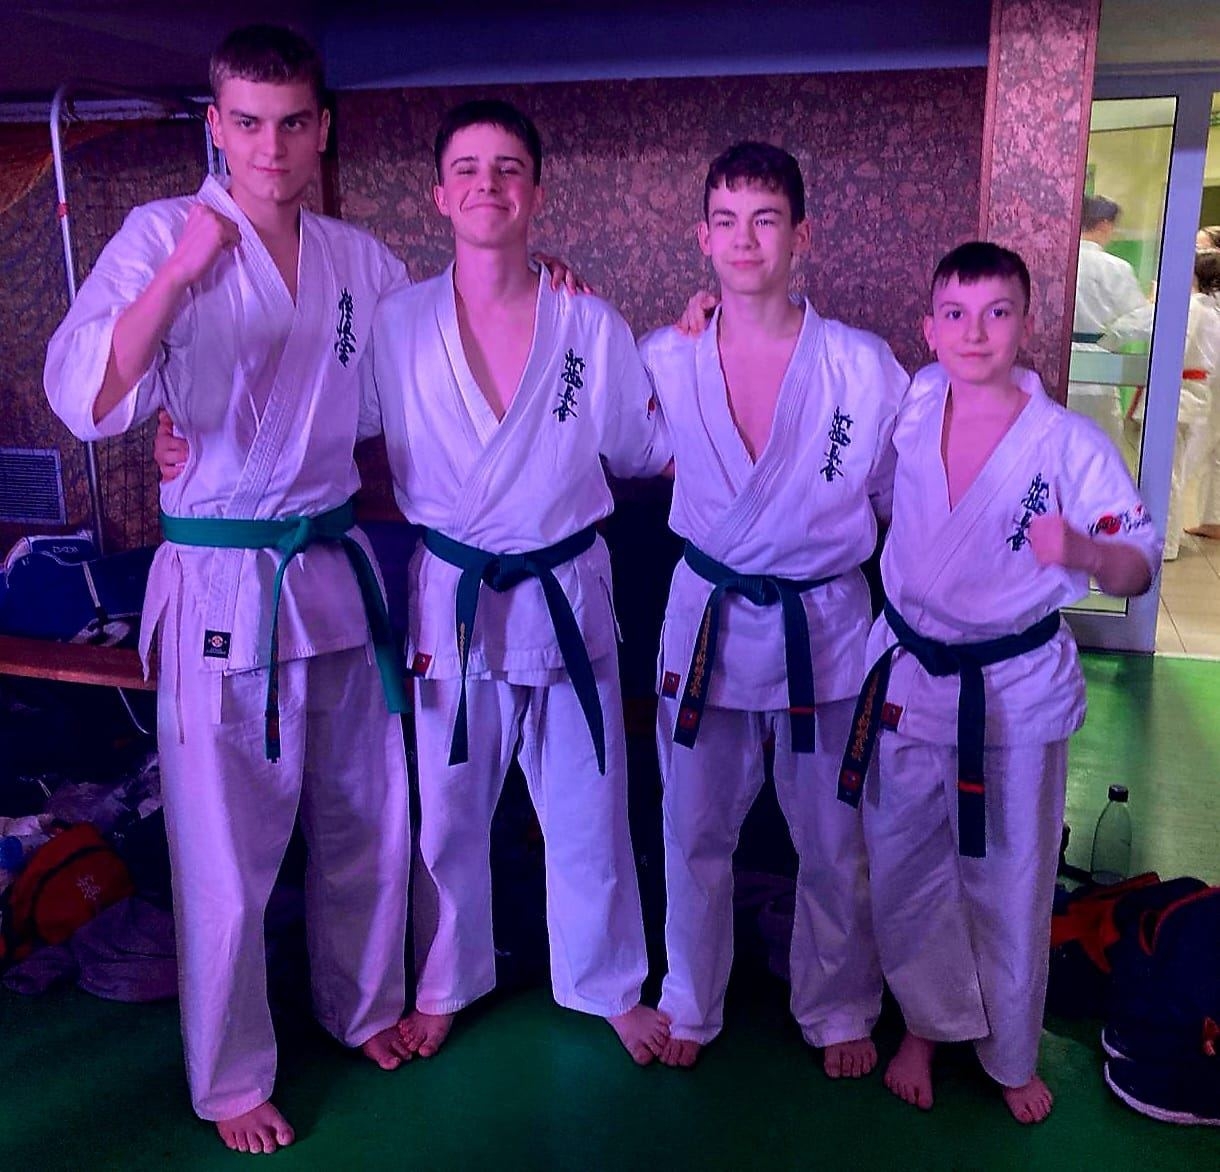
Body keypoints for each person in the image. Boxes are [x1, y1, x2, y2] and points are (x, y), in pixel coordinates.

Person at [44, 25, 416, 1154]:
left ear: (322, 128)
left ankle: (364, 1007)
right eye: (247, 123)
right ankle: (231, 1078)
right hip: (217, 577)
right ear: (214, 126)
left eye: (292, 122)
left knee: (364, 817)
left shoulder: (362, 261)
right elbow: (87, 394)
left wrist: (547, 297)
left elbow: (413, 387)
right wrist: (178, 277)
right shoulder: (160, 233)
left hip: (331, 569)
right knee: (223, 852)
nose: (270, 146)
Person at [366, 100, 672, 1065]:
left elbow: (647, 448)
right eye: (467, 168)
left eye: (507, 168)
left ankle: (606, 983)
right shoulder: (395, 324)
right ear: (438, 194)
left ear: (536, 191)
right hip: (453, 595)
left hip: (566, 591)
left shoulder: (590, 322)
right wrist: (181, 440)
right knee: (450, 810)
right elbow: (327, 422)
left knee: (588, 804)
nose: (487, 185)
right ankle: (443, 984)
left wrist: (700, 345)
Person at [837, 242, 1159, 1123]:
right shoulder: (913, 402)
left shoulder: (1067, 443)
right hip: (910, 675)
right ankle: (926, 1026)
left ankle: (1010, 1051)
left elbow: (1137, 563)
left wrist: (1085, 550)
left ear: (1027, 324)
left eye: (997, 313)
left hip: (1012, 691)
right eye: (956, 314)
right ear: (929, 328)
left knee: (1011, 876)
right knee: (905, 865)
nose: (974, 333)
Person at [637, 142, 903, 1074]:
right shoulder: (664, 358)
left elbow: (899, 496)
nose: (745, 240)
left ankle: (838, 1005)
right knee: (691, 828)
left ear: (802, 236)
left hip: (821, 626)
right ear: (702, 237)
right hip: (707, 619)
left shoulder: (863, 368)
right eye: (726, 221)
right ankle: (689, 999)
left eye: (765, 220)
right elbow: (616, 443)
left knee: (835, 835)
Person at [1103, 248, 1220, 559]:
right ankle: (1160, 537)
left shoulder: (1193, 307)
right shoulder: (1208, 309)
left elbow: (1175, 345)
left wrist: (1155, 308)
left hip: (1178, 394)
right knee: (1169, 470)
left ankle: (1162, 541)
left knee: (1165, 472)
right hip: (1189, 393)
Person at [1071, 195, 1148, 448]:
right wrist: (1108, 340)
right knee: (1100, 446)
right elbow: (1140, 320)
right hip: (1098, 371)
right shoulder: (1115, 267)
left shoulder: (1057, 261)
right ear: (1104, 225)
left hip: (1055, 365)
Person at [1182, 249, 1220, 541]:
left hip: (1201, 384)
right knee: (1212, 452)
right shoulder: (1210, 308)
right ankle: (1214, 519)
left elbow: (1183, 346)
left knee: (1188, 453)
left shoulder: (1197, 307)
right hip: (1208, 382)